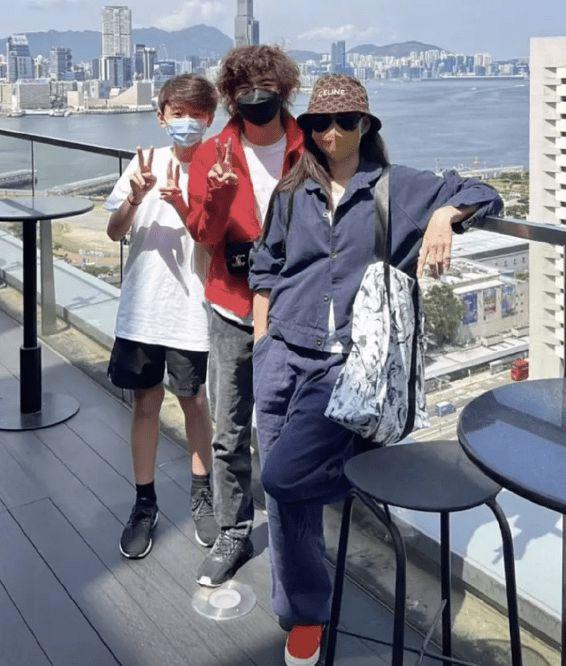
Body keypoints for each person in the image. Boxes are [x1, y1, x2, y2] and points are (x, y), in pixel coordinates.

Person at [249, 74, 503, 666]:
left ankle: (363, 475)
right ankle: (303, 613)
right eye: (320, 123)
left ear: (366, 126)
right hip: (281, 351)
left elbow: (486, 193)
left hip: (346, 366)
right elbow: (267, 265)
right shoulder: (292, 191)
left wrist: (444, 217)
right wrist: (262, 341)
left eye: (345, 122)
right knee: (285, 498)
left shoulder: (398, 187)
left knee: (282, 479)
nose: (331, 133)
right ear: (308, 128)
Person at [183, 45, 304, 587]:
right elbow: (202, 233)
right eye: (245, 89)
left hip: (295, 309)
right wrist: (217, 194)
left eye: (267, 88)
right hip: (231, 306)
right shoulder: (214, 153)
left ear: (285, 90)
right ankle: (234, 530)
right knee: (230, 430)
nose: (257, 97)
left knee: (291, 430)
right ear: (231, 96)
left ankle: (292, 530)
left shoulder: (308, 146)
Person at [105, 74, 218, 559]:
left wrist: (186, 203)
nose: (187, 122)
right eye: (178, 113)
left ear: (210, 118)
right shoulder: (143, 162)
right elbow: (114, 232)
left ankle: (203, 494)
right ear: (162, 116)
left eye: (196, 114)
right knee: (145, 404)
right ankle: (144, 503)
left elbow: (220, 239)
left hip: (192, 309)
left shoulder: (218, 167)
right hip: (142, 308)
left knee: (194, 402)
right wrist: (136, 196)